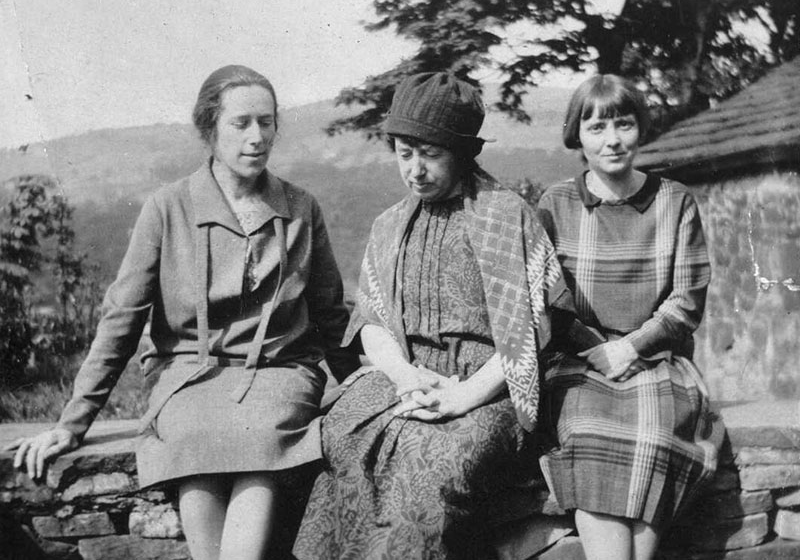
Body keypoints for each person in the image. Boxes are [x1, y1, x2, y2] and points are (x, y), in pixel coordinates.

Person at [6, 65, 357, 560]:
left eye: (267, 121)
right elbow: (122, 318)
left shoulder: (301, 208)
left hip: (280, 375)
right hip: (189, 378)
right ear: (209, 129)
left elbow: (331, 314)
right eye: (241, 123)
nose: (257, 137)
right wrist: (72, 422)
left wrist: (374, 388)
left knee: (264, 435)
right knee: (192, 436)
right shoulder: (167, 208)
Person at [293, 72, 570, 560]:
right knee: (344, 440)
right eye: (404, 154)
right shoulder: (389, 226)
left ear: (462, 153)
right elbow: (373, 323)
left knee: (431, 470)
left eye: (430, 155)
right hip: (408, 379)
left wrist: (463, 396)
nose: (415, 170)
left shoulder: (507, 218)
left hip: (488, 388)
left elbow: (531, 335)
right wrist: (403, 377)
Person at [537, 74, 724, 560]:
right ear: (576, 135)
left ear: (641, 127)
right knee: (588, 433)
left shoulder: (675, 201)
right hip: (580, 362)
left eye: (624, 124)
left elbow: (686, 299)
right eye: (597, 127)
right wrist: (597, 349)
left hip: (657, 360)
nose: (613, 140)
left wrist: (630, 347)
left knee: (656, 433)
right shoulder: (556, 204)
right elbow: (546, 297)